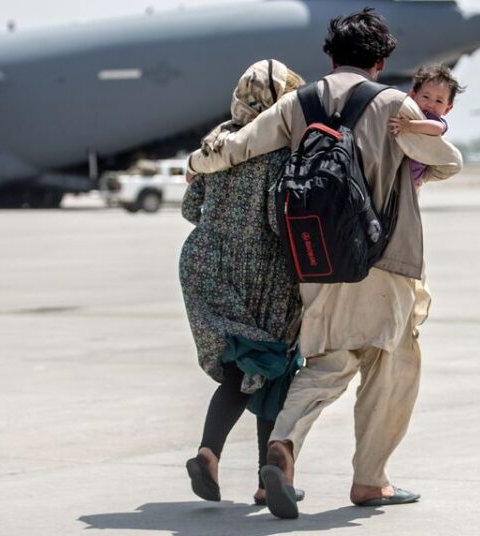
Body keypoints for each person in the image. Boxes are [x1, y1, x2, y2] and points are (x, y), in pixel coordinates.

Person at [185, 8, 463, 518]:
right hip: (385, 259)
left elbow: (239, 146)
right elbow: (448, 159)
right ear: (380, 61)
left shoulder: (300, 100)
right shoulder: (394, 104)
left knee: (327, 363)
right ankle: (370, 481)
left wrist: (196, 163)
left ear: (329, 56)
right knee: (393, 363)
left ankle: (284, 444)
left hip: (315, 260)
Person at [180, 59, 306, 506]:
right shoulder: (279, 147)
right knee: (270, 368)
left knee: (241, 367)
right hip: (261, 271)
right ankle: (267, 476)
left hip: (205, 263)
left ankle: (209, 454)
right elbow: (278, 220)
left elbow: (191, 209)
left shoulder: (218, 139)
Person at [388, 64, 465, 188]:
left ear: (448, 109)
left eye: (439, 101)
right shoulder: (409, 111)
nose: (430, 104)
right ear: (413, 96)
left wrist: (409, 125)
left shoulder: (434, 120)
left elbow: (437, 128)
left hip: (414, 173)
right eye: (425, 97)